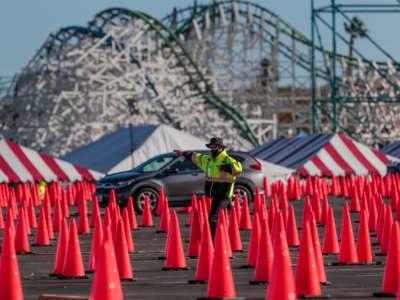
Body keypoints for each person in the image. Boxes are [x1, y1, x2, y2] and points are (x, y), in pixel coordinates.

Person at [174, 137, 242, 240]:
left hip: (224, 195)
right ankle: (218, 241)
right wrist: (183, 154)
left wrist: (225, 167)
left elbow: (238, 170)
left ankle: (215, 244)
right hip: (214, 194)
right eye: (210, 146)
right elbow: (195, 156)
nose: (211, 149)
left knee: (213, 219)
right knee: (216, 218)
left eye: (213, 146)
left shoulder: (227, 160)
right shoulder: (208, 159)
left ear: (220, 147)